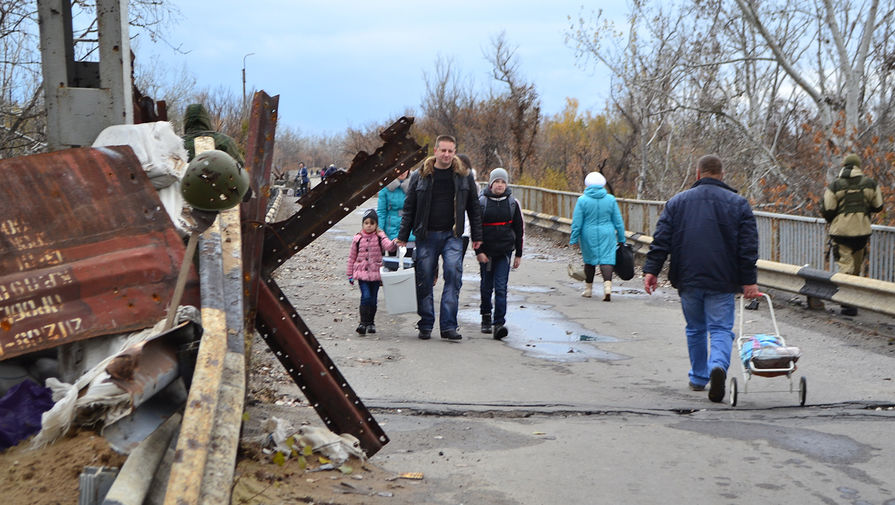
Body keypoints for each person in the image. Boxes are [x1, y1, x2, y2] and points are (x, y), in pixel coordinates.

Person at [642, 154, 761, 403]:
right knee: (719, 328)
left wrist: (651, 270)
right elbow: (748, 247)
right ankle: (717, 365)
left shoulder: (677, 203)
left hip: (688, 277)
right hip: (723, 278)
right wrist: (749, 281)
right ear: (722, 174)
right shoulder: (738, 204)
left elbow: (661, 240)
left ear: (698, 174)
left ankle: (698, 377)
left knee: (695, 328)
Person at [395, 135, 483, 342]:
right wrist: (402, 237)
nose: (447, 155)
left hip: (453, 235)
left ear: (454, 152)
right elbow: (409, 208)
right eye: (443, 150)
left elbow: (474, 208)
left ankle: (448, 326)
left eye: (450, 151)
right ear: (435, 151)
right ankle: (426, 324)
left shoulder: (464, 176)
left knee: (453, 275)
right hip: (426, 235)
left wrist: (478, 236)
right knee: (424, 279)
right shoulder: (420, 175)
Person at [820, 153, 884, 316]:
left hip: (840, 233)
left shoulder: (834, 186)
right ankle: (854, 300)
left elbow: (827, 210)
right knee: (856, 268)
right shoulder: (870, 184)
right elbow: (878, 206)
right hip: (862, 232)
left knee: (845, 267)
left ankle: (848, 304)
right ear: (858, 166)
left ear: (844, 166)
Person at [474, 168, 524, 340]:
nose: (500, 185)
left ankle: (499, 323)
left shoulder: (512, 203)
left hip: (504, 252)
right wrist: (478, 251)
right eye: (497, 182)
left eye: (503, 182)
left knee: (501, 288)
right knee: (487, 287)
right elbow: (476, 229)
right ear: (491, 183)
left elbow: (518, 228)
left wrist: (519, 253)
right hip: (486, 253)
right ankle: (486, 316)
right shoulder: (481, 202)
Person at [569, 172, 626, 301]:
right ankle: (607, 288)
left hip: (588, 233)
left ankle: (588, 290)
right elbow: (618, 221)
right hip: (607, 232)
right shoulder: (610, 199)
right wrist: (622, 238)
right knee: (607, 260)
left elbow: (577, 222)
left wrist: (573, 239)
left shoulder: (582, 200)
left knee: (589, 261)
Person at [347, 209, 396, 335]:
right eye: (366, 223)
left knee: (373, 299)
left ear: (376, 225)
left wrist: (395, 241)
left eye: (372, 223)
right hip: (362, 274)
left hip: (375, 274)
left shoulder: (380, 237)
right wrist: (350, 274)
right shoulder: (357, 239)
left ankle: (371, 323)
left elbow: (389, 247)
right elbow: (352, 257)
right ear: (363, 224)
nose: (369, 225)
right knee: (366, 297)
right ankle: (363, 323)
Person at [377, 169, 415, 256]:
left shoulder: (416, 184)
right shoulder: (385, 188)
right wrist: (380, 232)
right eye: (398, 169)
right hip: (391, 233)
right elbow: (381, 212)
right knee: (392, 264)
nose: (402, 171)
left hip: (411, 232)